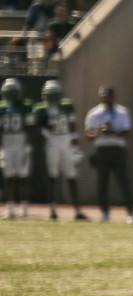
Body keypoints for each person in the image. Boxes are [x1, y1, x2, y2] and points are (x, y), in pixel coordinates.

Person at [32, 81, 86, 221]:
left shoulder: (67, 106)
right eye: (49, 95)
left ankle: (77, 209)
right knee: (52, 175)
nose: (51, 98)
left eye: (54, 95)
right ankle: (53, 209)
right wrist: (47, 133)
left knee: (71, 175)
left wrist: (75, 139)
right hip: (52, 141)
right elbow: (37, 127)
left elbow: (72, 124)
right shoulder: (41, 109)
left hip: (66, 140)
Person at [85, 85, 133, 223]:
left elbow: (128, 132)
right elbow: (88, 134)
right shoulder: (94, 113)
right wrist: (99, 131)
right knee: (102, 183)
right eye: (103, 96)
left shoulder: (122, 112)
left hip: (117, 149)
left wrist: (112, 131)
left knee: (123, 182)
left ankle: (131, 213)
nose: (106, 98)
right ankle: (105, 213)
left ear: (114, 97)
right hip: (102, 149)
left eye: (108, 96)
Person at [0, 80, 29, 218]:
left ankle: (23, 208)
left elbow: (29, 127)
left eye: (13, 92)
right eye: (9, 92)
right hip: (7, 144)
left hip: (20, 143)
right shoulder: (2, 108)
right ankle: (10, 208)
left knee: (22, 177)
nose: (11, 95)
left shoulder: (25, 106)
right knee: (9, 178)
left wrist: (28, 146)